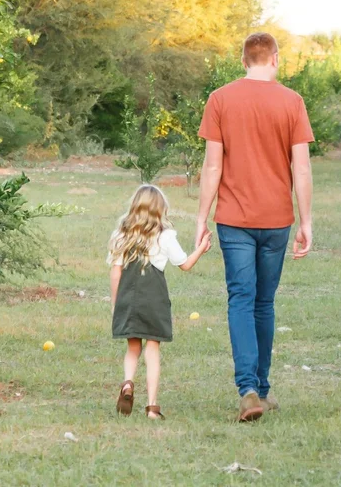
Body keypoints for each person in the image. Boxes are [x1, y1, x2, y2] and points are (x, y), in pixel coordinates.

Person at [194, 31, 315, 422]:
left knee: (241, 300)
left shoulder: (221, 99)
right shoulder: (292, 102)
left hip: (233, 219)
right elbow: (302, 166)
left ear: (243, 60)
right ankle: (261, 388)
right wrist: (307, 220)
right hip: (277, 218)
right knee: (264, 303)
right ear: (275, 59)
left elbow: (213, 165)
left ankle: (249, 389)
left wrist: (200, 217)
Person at [108, 184, 213, 419]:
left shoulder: (121, 235)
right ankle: (152, 407)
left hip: (128, 295)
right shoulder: (165, 235)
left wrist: (116, 303)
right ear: (160, 210)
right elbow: (184, 264)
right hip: (153, 297)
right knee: (152, 348)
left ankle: (127, 384)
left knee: (132, 346)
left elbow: (116, 273)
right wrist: (201, 249)